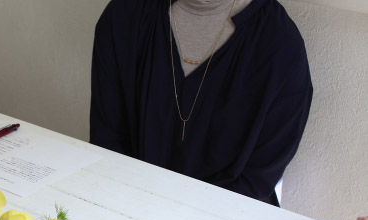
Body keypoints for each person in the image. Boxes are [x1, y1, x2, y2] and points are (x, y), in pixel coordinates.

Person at [90, 0, 313, 206]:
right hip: (127, 204)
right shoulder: (124, 16)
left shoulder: (280, 46)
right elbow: (107, 142)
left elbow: (257, 180)